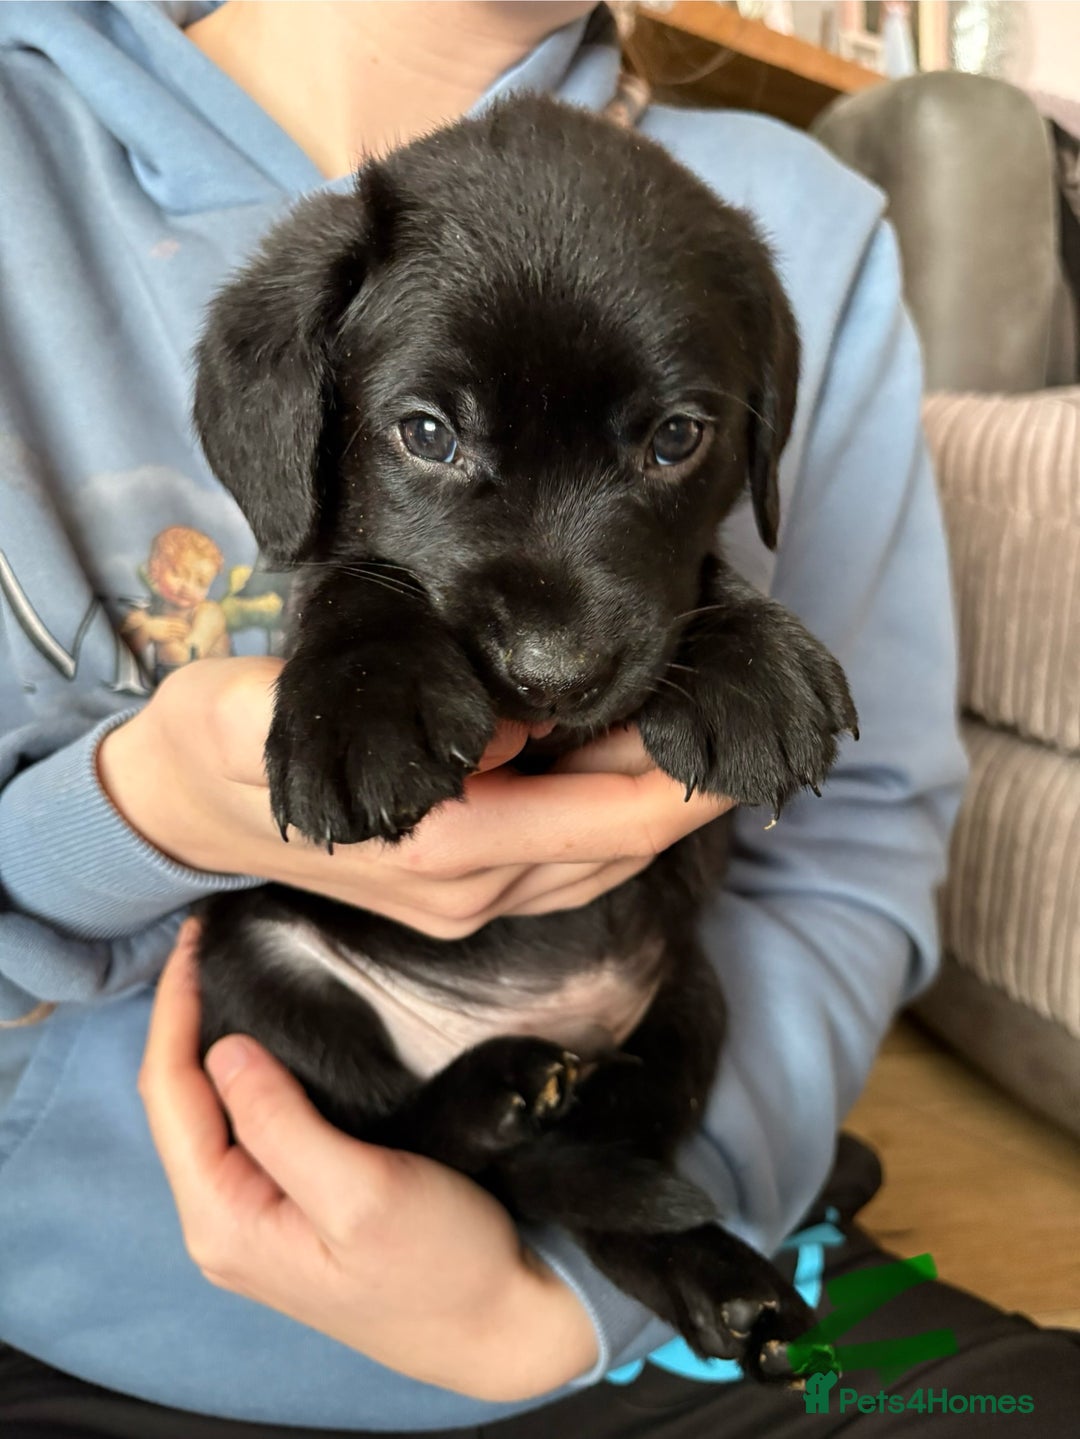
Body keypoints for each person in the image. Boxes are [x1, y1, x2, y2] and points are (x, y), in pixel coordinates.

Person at [0, 3, 1076, 1436]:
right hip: (104, 1304)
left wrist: (562, 1306)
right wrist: (130, 813)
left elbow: (852, 843)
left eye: (674, 439)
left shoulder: (790, 230)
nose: (564, 635)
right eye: (431, 439)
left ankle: (621, 1211)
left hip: (638, 1274)